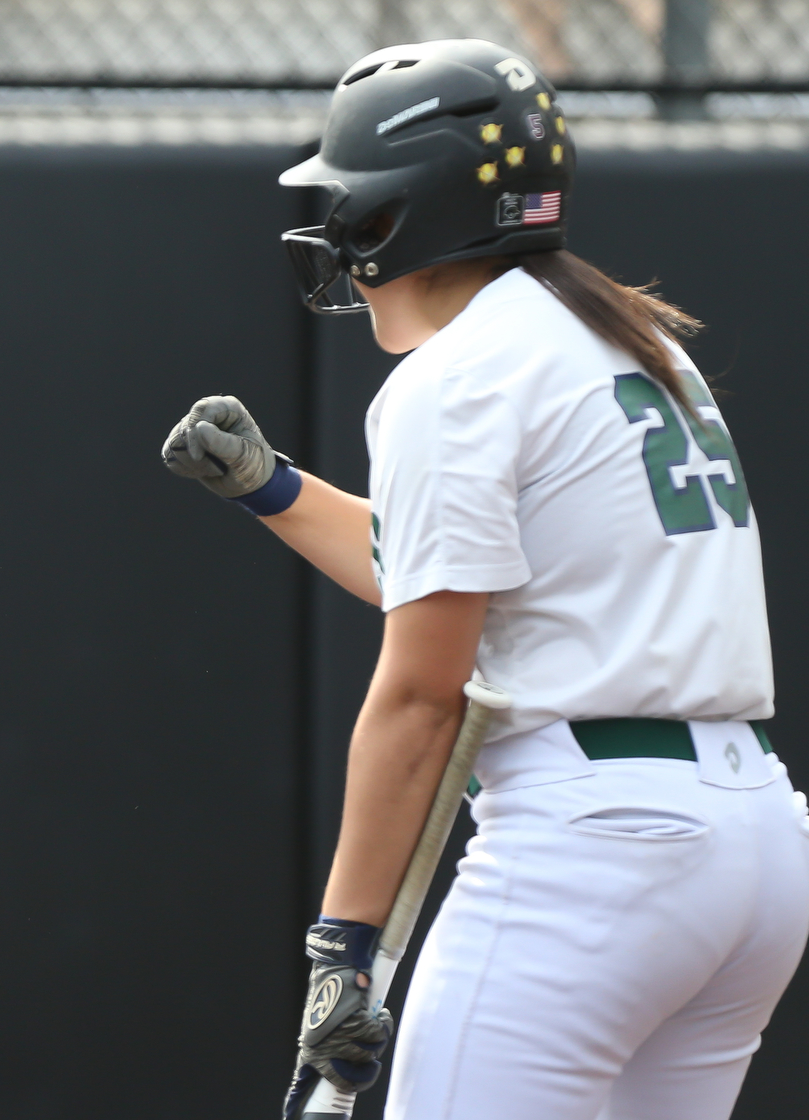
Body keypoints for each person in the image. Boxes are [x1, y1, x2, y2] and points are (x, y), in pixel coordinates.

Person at [163, 39, 809, 1120]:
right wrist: (272, 487)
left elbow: (421, 691)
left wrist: (343, 941)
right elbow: (461, 579)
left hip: (594, 847)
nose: (333, 228)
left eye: (345, 201)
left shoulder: (455, 374)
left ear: (398, 212)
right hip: (750, 840)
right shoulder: (632, 336)